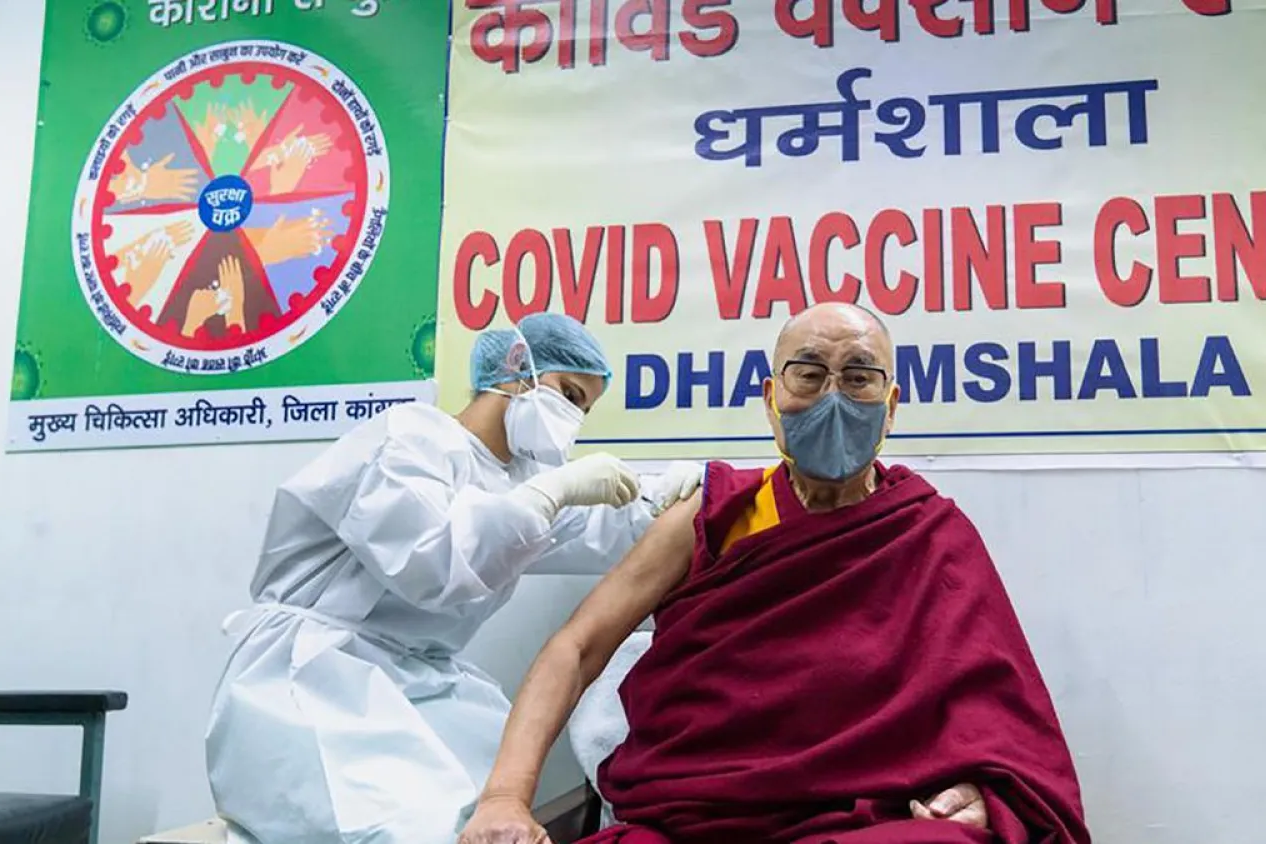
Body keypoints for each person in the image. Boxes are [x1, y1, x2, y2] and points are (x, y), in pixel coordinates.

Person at [458, 302, 1090, 844]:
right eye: (809, 374)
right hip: (695, 823)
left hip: (857, 824)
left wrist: (985, 795)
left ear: (891, 405)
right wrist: (505, 797)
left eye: (860, 377)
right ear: (771, 398)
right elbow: (577, 646)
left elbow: (1001, 719)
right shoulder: (711, 515)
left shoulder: (926, 532)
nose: (833, 397)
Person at [205, 312, 705, 844]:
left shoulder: (519, 480)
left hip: (415, 685)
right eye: (570, 393)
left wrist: (678, 494)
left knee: (492, 812)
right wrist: (551, 492)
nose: (575, 416)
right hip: (310, 680)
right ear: (517, 368)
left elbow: (605, 523)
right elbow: (431, 564)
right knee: (407, 828)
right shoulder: (407, 439)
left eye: (585, 406)